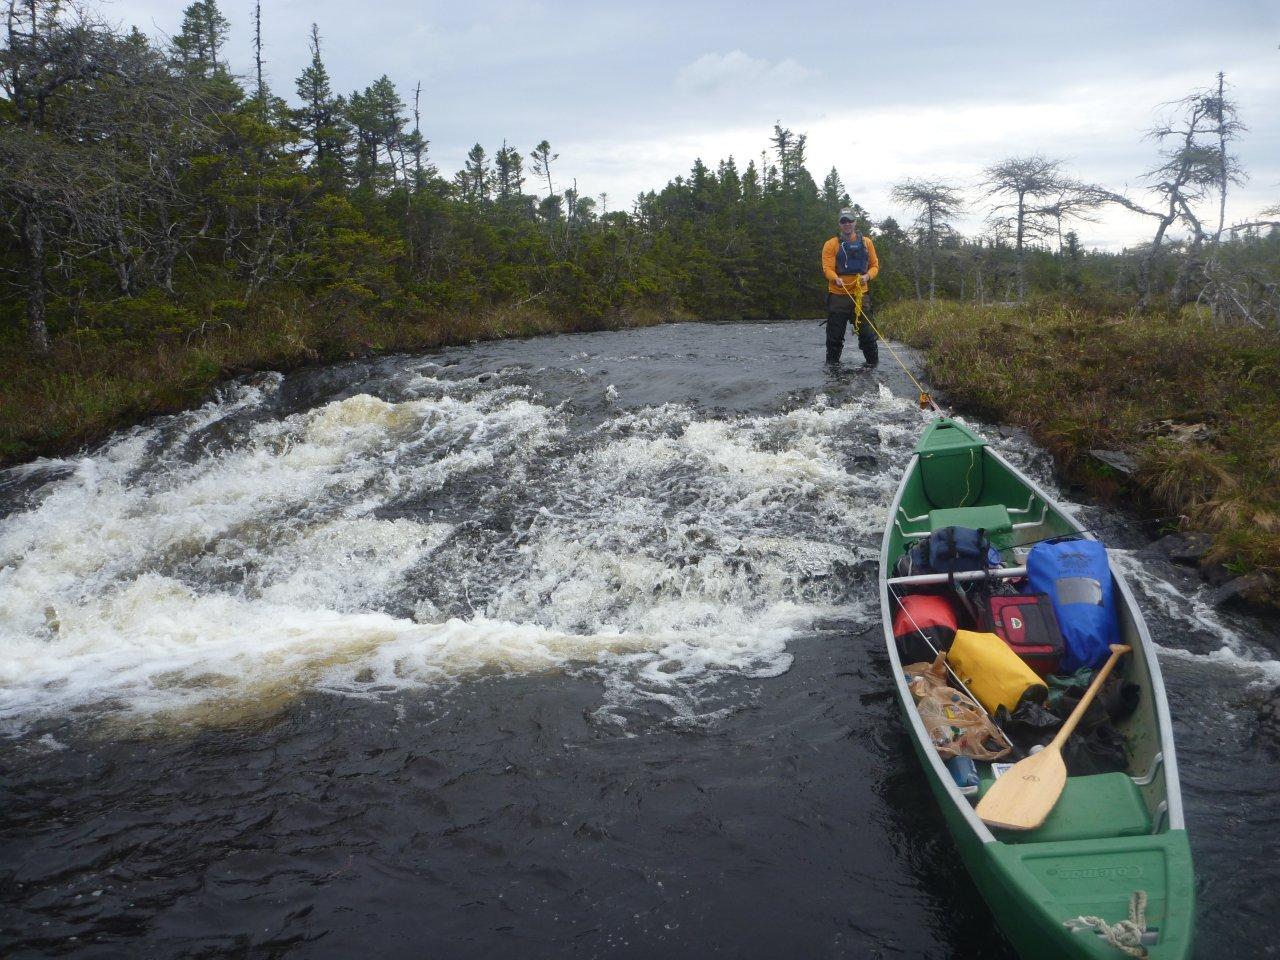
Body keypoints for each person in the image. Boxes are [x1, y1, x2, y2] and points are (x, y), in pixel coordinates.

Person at [821, 209, 880, 366]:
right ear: (839, 224)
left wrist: (867, 276)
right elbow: (827, 269)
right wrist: (835, 279)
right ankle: (832, 372)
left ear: (855, 222)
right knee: (834, 338)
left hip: (861, 296)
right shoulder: (831, 244)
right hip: (838, 296)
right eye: (843, 221)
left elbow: (874, 266)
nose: (847, 224)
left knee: (868, 336)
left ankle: (873, 367)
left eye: (850, 221)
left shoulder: (867, 242)